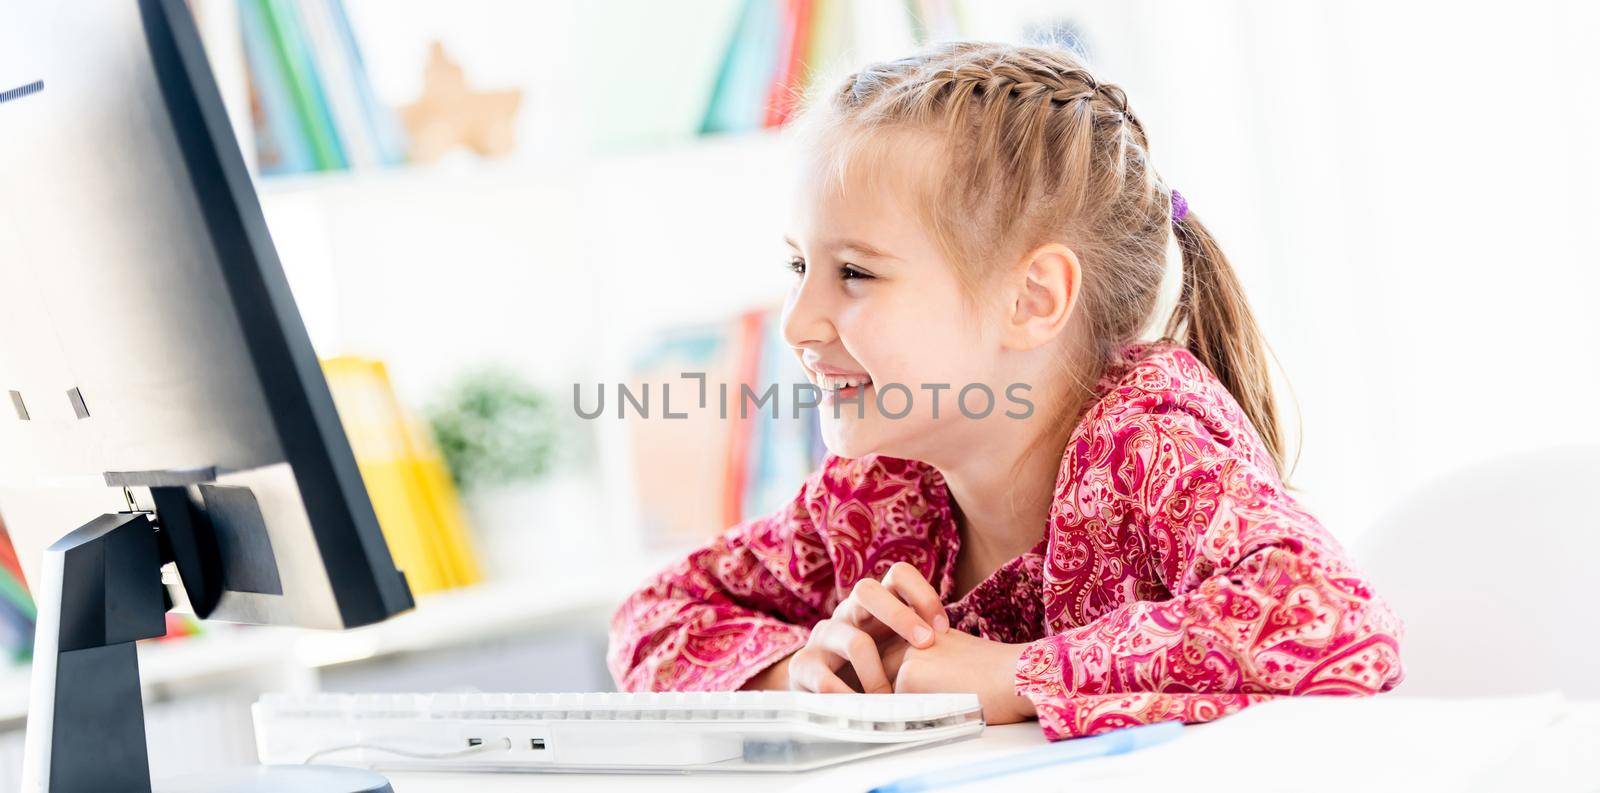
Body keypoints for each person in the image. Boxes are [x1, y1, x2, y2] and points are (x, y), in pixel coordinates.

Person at [608, 41, 1402, 740]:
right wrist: (811, 674)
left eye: (853, 272)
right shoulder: (880, 490)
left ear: (1032, 300)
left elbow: (1329, 616)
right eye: (797, 267)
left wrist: (1014, 673)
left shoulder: (1149, 438)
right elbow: (653, 620)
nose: (798, 323)